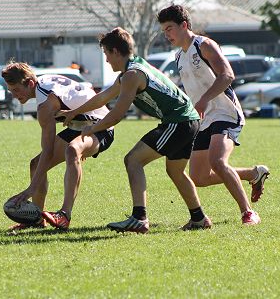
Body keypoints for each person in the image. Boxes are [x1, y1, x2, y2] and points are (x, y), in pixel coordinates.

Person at [59, 27, 211, 233]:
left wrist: (92, 129)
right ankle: (199, 218)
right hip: (187, 120)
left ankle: (139, 218)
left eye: (106, 55)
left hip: (178, 122)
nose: (106, 61)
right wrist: (73, 112)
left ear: (114, 52)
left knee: (133, 160)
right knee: (175, 171)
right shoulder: (134, 68)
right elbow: (104, 97)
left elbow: (117, 114)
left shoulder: (132, 75)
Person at [157, 5, 266, 226]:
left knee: (218, 161)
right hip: (203, 120)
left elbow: (227, 75)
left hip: (225, 113)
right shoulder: (179, 57)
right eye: (164, 31)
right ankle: (253, 173)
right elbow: (191, 92)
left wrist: (205, 99)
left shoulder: (204, 45)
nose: (167, 34)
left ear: (184, 25)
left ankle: (248, 213)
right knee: (199, 177)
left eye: (169, 28)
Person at [2, 62, 114, 231]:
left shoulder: (45, 105)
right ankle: (37, 219)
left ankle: (64, 215)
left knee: (72, 150)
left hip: (101, 125)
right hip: (78, 125)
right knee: (36, 164)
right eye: (11, 91)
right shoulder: (42, 85)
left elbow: (48, 150)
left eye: (16, 90)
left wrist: (31, 189)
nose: (15, 96)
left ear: (30, 83)